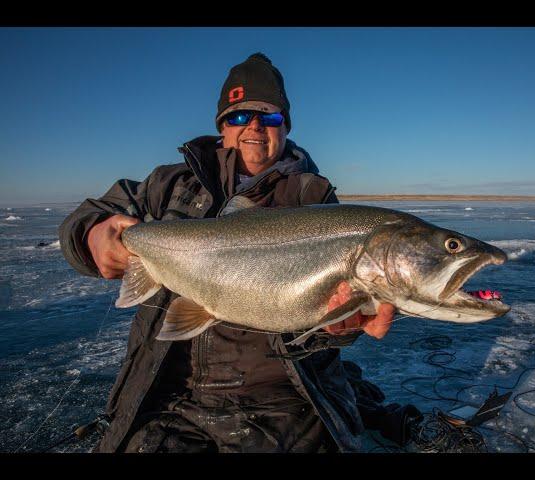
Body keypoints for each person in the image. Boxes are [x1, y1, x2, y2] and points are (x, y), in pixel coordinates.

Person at [59, 53, 421, 453]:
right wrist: (92, 235)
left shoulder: (311, 196)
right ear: (221, 126)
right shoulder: (167, 184)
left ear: (284, 127)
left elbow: (321, 321)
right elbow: (89, 216)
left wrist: (332, 328)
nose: (253, 126)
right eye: (239, 116)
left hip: (279, 397)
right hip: (166, 391)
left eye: (268, 117)